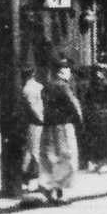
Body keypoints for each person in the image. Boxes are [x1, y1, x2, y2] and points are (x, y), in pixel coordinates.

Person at [39, 57, 82, 204]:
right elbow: (74, 106)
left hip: (48, 126)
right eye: (68, 69)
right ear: (62, 71)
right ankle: (61, 192)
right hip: (63, 125)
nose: (69, 72)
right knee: (66, 157)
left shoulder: (46, 87)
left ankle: (47, 189)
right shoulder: (64, 87)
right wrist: (78, 121)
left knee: (49, 156)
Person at [80, 63, 107, 172]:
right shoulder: (90, 86)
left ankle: (101, 162)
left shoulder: (106, 85)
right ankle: (95, 161)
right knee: (94, 139)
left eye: (100, 71)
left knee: (102, 140)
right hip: (94, 116)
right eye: (97, 71)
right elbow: (85, 101)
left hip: (103, 116)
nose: (98, 74)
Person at [20, 68, 44, 192]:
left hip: (32, 122)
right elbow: (35, 106)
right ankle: (32, 179)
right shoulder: (38, 87)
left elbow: (31, 106)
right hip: (37, 122)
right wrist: (42, 118)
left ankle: (26, 178)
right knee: (34, 151)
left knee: (31, 150)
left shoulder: (26, 89)